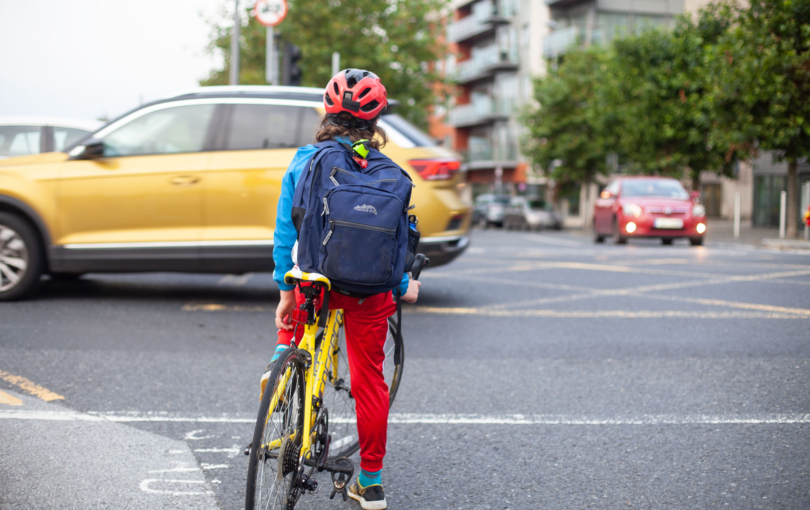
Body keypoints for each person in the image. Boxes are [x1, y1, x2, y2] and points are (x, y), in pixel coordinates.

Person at [263, 68, 420, 510]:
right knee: (370, 381)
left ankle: (283, 357)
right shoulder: (392, 173)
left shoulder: (304, 160)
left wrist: (284, 291)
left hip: (317, 282)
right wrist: (404, 284)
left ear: (328, 110)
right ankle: (370, 483)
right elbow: (394, 243)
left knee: (301, 287)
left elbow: (284, 234)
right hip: (368, 293)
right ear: (376, 122)